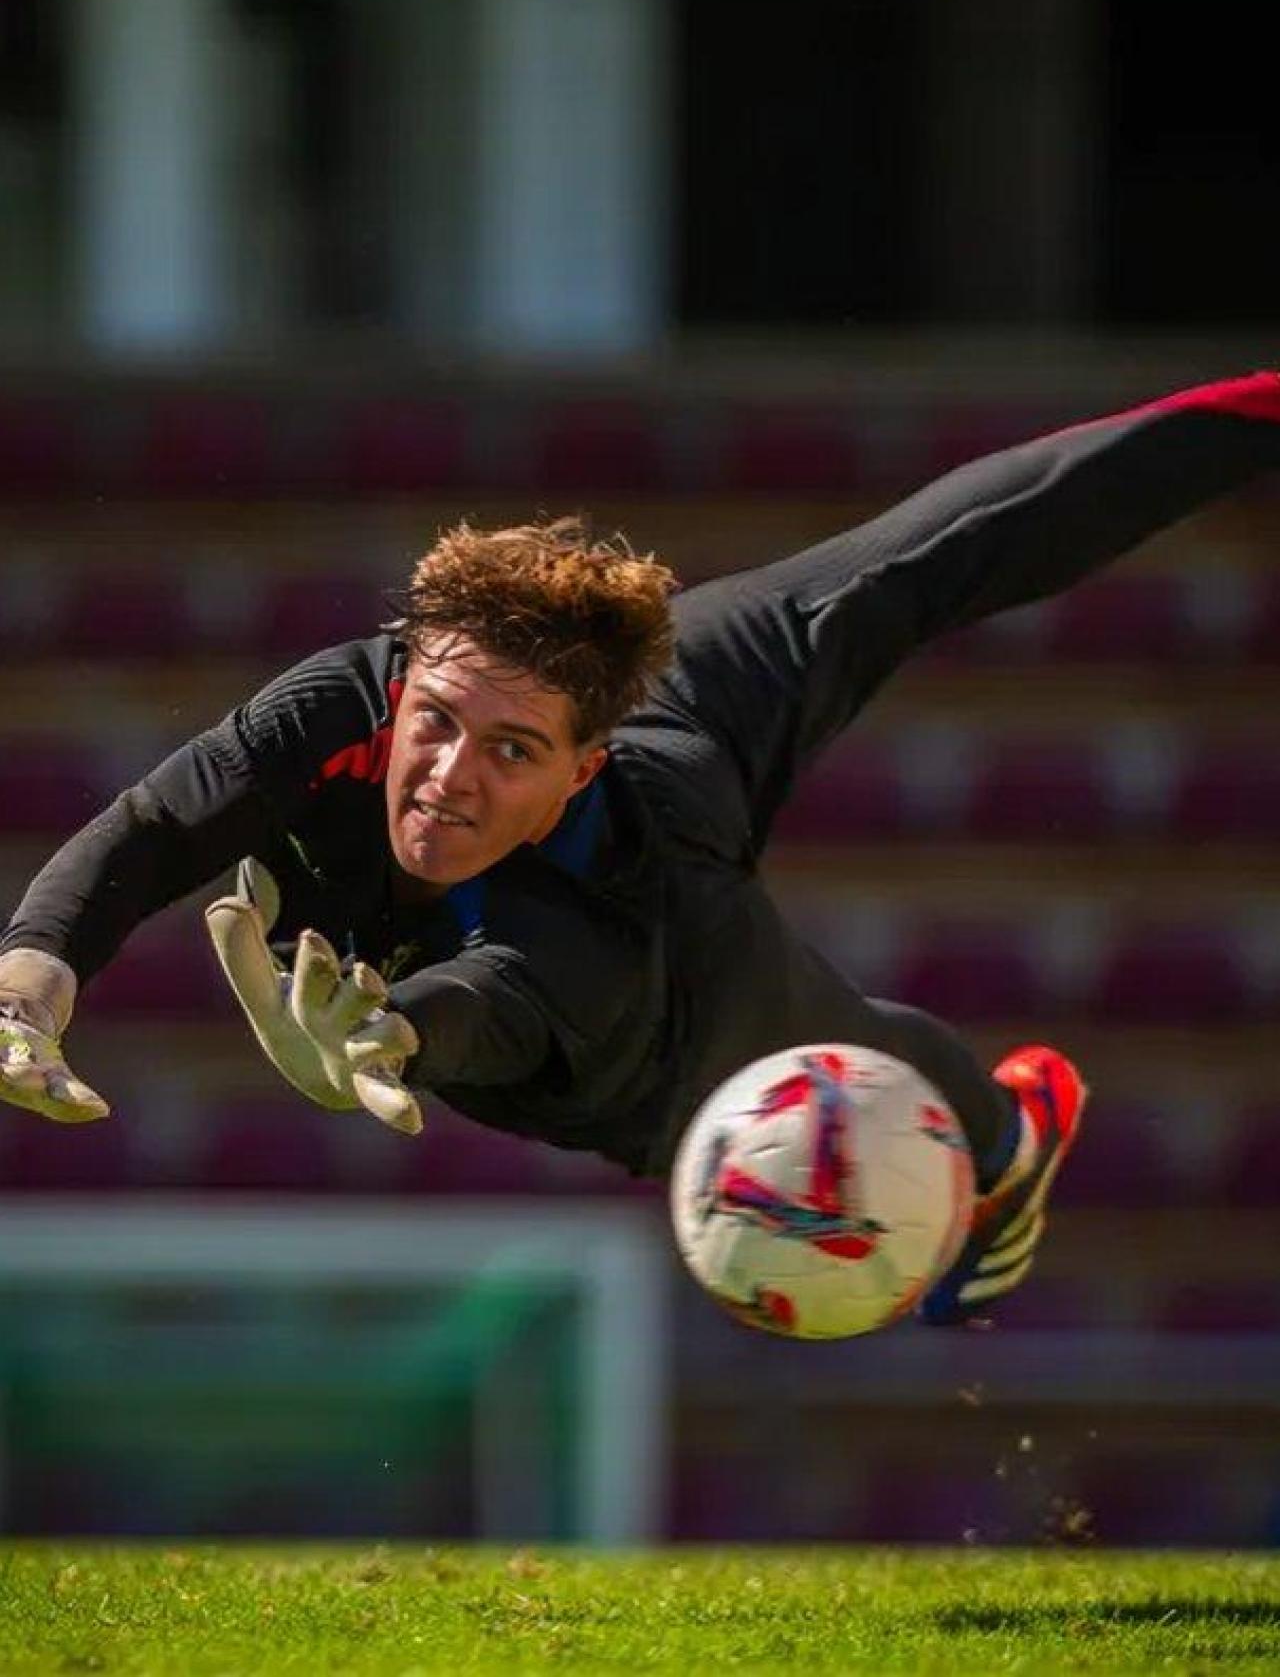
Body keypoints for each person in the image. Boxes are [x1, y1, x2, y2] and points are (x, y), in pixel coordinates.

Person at [2, 372, 1277, 1328]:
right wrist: (28, 978)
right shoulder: (340, 705)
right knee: (813, 1029)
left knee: (907, 576)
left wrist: (388, 1039)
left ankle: (999, 1144)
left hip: (650, 966)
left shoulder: (605, 887)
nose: (444, 776)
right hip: (543, 986)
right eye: (434, 723)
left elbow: (496, 998)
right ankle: (991, 1138)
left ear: (580, 757)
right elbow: (154, 828)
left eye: (506, 751)